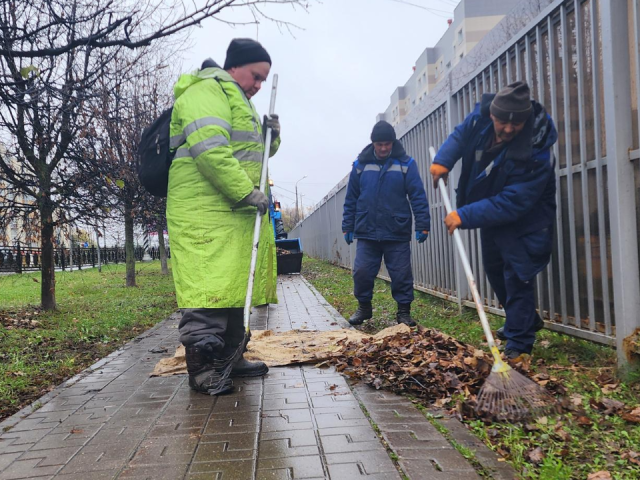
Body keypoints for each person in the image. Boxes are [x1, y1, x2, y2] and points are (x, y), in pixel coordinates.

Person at [167, 38, 281, 395]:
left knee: (233, 290)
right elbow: (211, 151)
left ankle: (230, 359)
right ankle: (202, 371)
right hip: (205, 212)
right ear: (234, 68)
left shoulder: (237, 100)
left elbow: (253, 153)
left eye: (264, 79)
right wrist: (245, 192)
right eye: (256, 76)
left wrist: (272, 136)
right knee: (207, 291)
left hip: (230, 213)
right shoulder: (206, 91)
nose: (259, 85)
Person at [430, 81, 557, 363]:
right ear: (492, 116)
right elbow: (461, 135)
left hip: (526, 220)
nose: (509, 129)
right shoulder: (480, 118)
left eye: (517, 124)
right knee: (495, 270)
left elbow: (515, 201)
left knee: (517, 275)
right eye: (503, 123)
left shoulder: (537, 150)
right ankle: (524, 320)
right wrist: (444, 160)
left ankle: (520, 343)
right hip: (493, 213)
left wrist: (465, 215)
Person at [342, 121, 430, 327]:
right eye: (379, 144)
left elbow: (417, 195)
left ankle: (403, 313)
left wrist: (422, 225)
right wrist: (348, 226)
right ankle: (364, 308)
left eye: (387, 144)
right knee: (362, 272)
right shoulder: (360, 166)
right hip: (367, 231)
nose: (383, 148)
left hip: (396, 230)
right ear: (373, 143)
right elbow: (351, 198)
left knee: (401, 274)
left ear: (393, 142)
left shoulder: (406, 164)